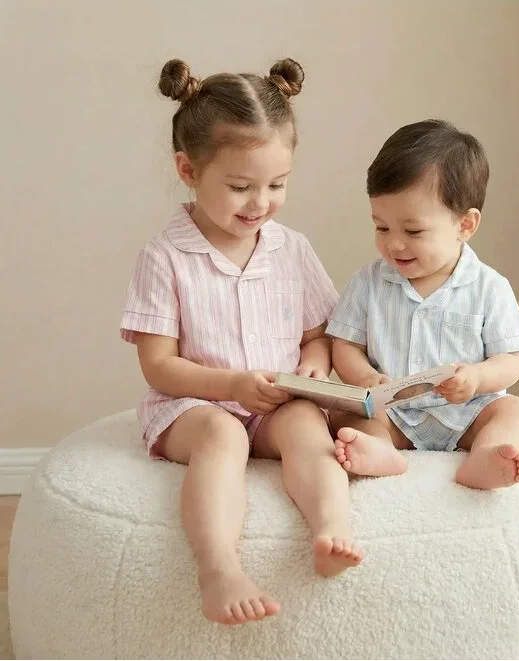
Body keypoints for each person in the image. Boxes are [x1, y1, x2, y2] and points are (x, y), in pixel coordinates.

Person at [120, 57, 362, 627]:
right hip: (194, 407)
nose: (260, 203)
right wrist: (230, 385)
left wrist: (313, 366)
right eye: (239, 187)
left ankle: (331, 526)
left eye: (277, 185)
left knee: (306, 425)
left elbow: (318, 336)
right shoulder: (166, 257)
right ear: (188, 169)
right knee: (222, 435)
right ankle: (218, 567)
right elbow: (158, 366)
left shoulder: (291, 249)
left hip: (274, 403)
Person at [327, 119, 519, 490]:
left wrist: (477, 378)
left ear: (465, 225)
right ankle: (380, 451)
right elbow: (345, 346)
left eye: (413, 231)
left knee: (516, 411)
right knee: (341, 414)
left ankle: (488, 454)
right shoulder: (369, 282)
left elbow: (510, 360)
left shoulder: (489, 287)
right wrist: (363, 378)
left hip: (467, 412)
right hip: (392, 414)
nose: (394, 244)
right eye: (382, 227)